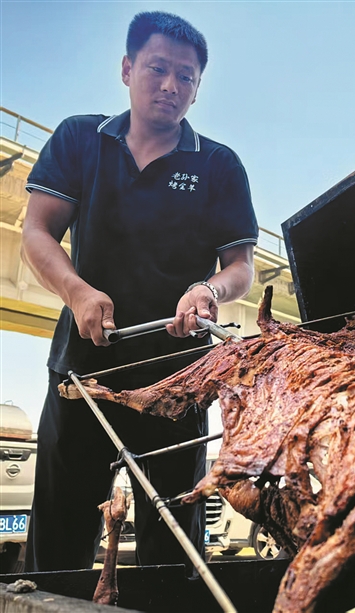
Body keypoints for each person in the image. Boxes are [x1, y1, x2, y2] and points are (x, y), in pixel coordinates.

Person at [21, 11, 258, 571]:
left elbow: (241, 267)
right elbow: (37, 231)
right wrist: (77, 292)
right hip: (83, 374)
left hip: (179, 380)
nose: (171, 85)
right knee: (59, 533)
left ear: (197, 89)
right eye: (157, 69)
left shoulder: (219, 164)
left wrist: (207, 289)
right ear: (127, 69)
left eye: (186, 77)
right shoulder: (80, 138)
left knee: (174, 547)